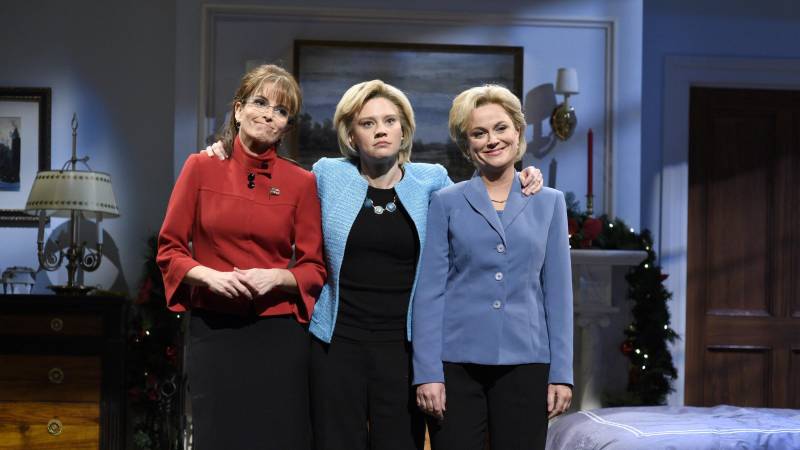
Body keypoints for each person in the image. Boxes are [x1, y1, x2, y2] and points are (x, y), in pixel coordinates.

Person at [204, 79, 543, 450]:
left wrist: (522, 177)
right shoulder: (327, 175)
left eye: (390, 121)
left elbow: (480, 200)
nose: (381, 130)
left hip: (403, 351)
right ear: (351, 134)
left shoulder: (432, 181)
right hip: (335, 347)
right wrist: (229, 153)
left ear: (404, 130)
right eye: (368, 123)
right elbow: (276, 182)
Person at [157, 64, 326, 450]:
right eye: (260, 102)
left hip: (279, 334)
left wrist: (278, 278)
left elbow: (314, 266)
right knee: (219, 437)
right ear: (238, 109)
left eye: (281, 111)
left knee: (281, 437)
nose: (269, 114)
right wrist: (208, 276)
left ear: (286, 126)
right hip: (215, 330)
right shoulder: (199, 167)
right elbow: (169, 250)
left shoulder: (301, 182)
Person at [412, 84, 573, 450]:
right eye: (479, 133)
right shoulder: (446, 202)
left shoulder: (549, 202)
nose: (492, 140)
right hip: (456, 365)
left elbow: (559, 294)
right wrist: (427, 374)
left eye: (501, 128)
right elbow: (430, 292)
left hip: (527, 362)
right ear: (466, 144)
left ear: (518, 132)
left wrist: (562, 374)